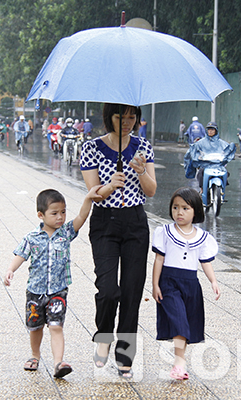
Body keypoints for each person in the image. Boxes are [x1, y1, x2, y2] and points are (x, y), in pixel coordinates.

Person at [80, 103, 157, 378]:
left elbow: (151, 191)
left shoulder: (142, 146)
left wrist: (140, 171)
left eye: (131, 117)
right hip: (105, 224)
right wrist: (110, 185)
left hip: (135, 223)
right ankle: (103, 336)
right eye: (120, 117)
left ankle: (125, 353)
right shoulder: (92, 147)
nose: (126, 122)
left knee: (132, 290)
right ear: (108, 118)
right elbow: (92, 193)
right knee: (109, 288)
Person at [4, 187, 103, 378]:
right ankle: (35, 355)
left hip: (58, 291)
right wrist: (10, 270)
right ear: (41, 215)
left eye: (63, 212)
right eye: (55, 213)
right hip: (35, 291)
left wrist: (88, 199)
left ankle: (59, 363)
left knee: (56, 326)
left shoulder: (65, 233)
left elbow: (81, 217)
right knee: (35, 327)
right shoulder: (32, 238)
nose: (60, 217)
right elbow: (20, 254)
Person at [152, 187, 220, 380]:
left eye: (185, 208)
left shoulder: (202, 238)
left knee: (188, 323)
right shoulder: (164, 232)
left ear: (196, 211)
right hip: (169, 283)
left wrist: (213, 281)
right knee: (179, 320)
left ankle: (179, 362)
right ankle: (179, 362)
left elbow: (205, 262)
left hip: (191, 284)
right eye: (175, 207)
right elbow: (159, 259)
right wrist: (155, 284)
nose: (179, 212)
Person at [184, 121, 236, 192]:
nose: (210, 131)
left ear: (216, 130)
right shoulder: (201, 142)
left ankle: (221, 190)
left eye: (212, 129)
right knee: (200, 173)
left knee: (225, 173)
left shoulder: (222, 143)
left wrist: (231, 155)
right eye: (209, 129)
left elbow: (228, 149)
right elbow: (191, 151)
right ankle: (202, 190)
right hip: (206, 165)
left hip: (218, 166)